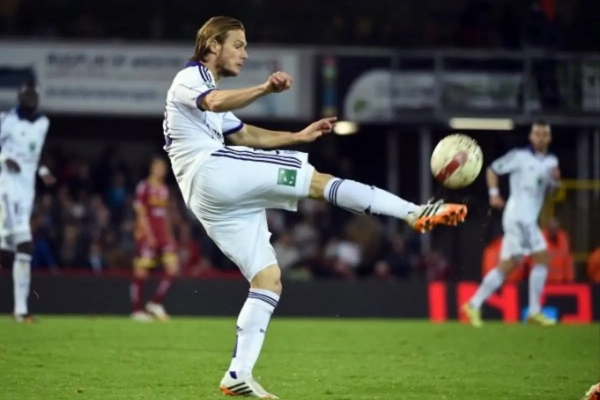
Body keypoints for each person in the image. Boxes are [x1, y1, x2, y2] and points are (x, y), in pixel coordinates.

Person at [163, 16, 468, 398]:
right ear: (212, 45)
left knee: (268, 279)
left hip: (208, 197)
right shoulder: (190, 78)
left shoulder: (208, 91)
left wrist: (298, 135)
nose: (245, 53)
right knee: (317, 182)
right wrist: (264, 88)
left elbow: (244, 133)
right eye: (238, 45)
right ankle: (413, 212)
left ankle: (237, 374)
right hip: (212, 171)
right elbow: (214, 101)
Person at [462, 121, 560, 327]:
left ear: (549, 138)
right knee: (543, 258)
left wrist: (555, 182)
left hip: (527, 219)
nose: (540, 138)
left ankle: (473, 304)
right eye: (537, 134)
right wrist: (494, 194)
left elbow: (550, 191)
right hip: (519, 217)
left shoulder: (551, 162)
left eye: (544, 134)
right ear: (531, 137)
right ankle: (534, 311)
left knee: (508, 265)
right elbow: (492, 169)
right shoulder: (519, 156)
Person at [0, 81, 55, 323]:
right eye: (26, 95)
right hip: (6, 188)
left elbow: (34, 154)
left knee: (9, 253)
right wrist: (4, 159)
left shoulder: (43, 124)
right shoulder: (7, 120)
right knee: (24, 246)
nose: (30, 99)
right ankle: (21, 310)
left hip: (26, 191)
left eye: (34, 96)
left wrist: (42, 171)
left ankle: (20, 310)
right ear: (20, 97)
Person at [130, 156, 180, 322]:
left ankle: (155, 302)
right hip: (147, 234)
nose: (161, 171)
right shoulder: (144, 187)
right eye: (158, 167)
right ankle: (137, 310)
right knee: (141, 271)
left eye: (163, 168)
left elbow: (166, 216)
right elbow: (141, 213)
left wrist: (170, 236)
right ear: (152, 168)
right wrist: (148, 235)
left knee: (173, 268)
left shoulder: (165, 189)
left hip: (164, 235)